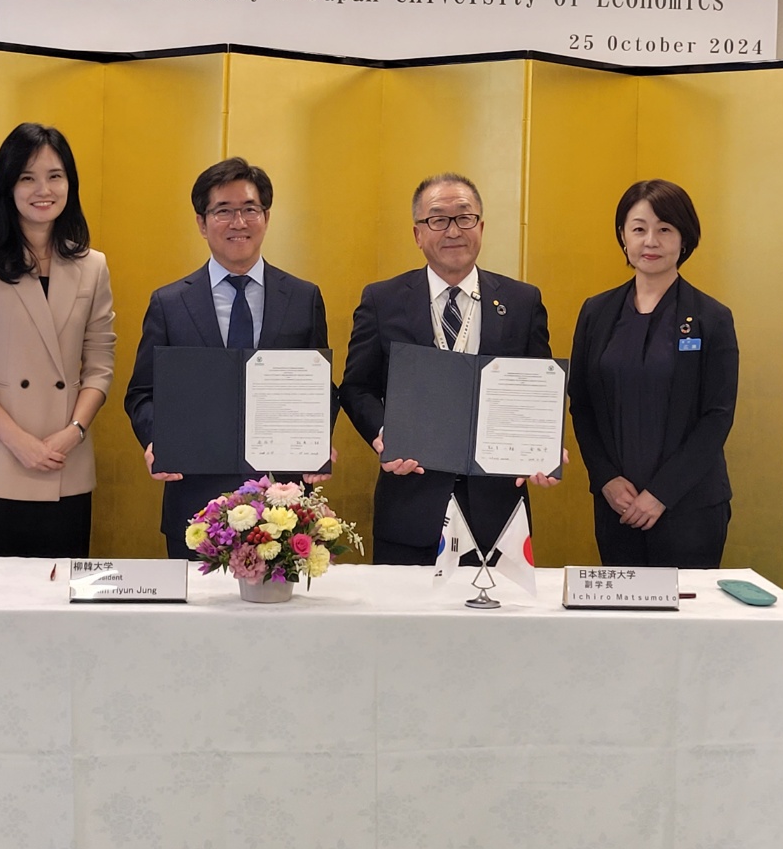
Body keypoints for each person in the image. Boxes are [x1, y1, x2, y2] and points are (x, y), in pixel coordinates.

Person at [340, 172, 554, 564]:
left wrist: (541, 443)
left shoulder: (522, 302)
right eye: (438, 219)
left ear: (482, 227)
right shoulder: (382, 301)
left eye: (465, 217)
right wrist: (384, 434)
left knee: (495, 624)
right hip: (410, 501)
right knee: (405, 622)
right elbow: (357, 388)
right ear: (418, 233)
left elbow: (538, 389)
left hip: (497, 509)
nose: (453, 230)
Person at [124, 157, 331, 558]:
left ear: (266, 217)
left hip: (283, 505)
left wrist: (320, 436)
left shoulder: (303, 298)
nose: (239, 222)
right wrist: (155, 439)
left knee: (277, 616)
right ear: (202, 223)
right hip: (196, 502)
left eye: (249, 209)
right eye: (223, 211)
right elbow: (142, 393)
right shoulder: (169, 303)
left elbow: (321, 386)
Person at [0, 123, 115, 558]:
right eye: (27, 177)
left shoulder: (92, 266)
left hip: (64, 464)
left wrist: (72, 432)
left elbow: (100, 365)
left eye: (55, 176)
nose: (44, 189)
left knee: (59, 612)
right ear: (7, 185)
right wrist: (20, 442)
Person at [568, 179, 738, 569]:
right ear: (623, 236)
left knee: (684, 627)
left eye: (665, 229)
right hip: (617, 506)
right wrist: (606, 480)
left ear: (684, 239)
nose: (651, 241)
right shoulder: (596, 313)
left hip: (690, 507)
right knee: (624, 623)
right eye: (639, 228)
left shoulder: (712, 318)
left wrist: (661, 493)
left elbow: (717, 417)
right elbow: (583, 405)